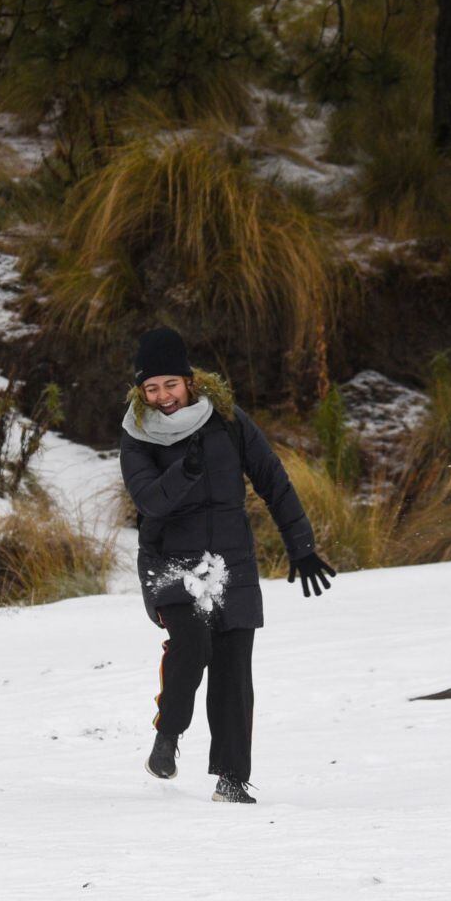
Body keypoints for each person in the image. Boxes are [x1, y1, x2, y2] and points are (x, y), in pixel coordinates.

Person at [119, 327, 335, 804]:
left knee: (234, 670)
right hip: (171, 561)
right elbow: (149, 501)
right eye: (151, 389)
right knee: (192, 645)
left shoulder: (228, 420)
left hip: (231, 558)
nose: (163, 397)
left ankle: (232, 780)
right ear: (141, 392)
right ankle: (169, 733)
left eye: (170, 385)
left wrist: (300, 545)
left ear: (189, 381)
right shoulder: (136, 435)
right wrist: (186, 471)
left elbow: (272, 479)